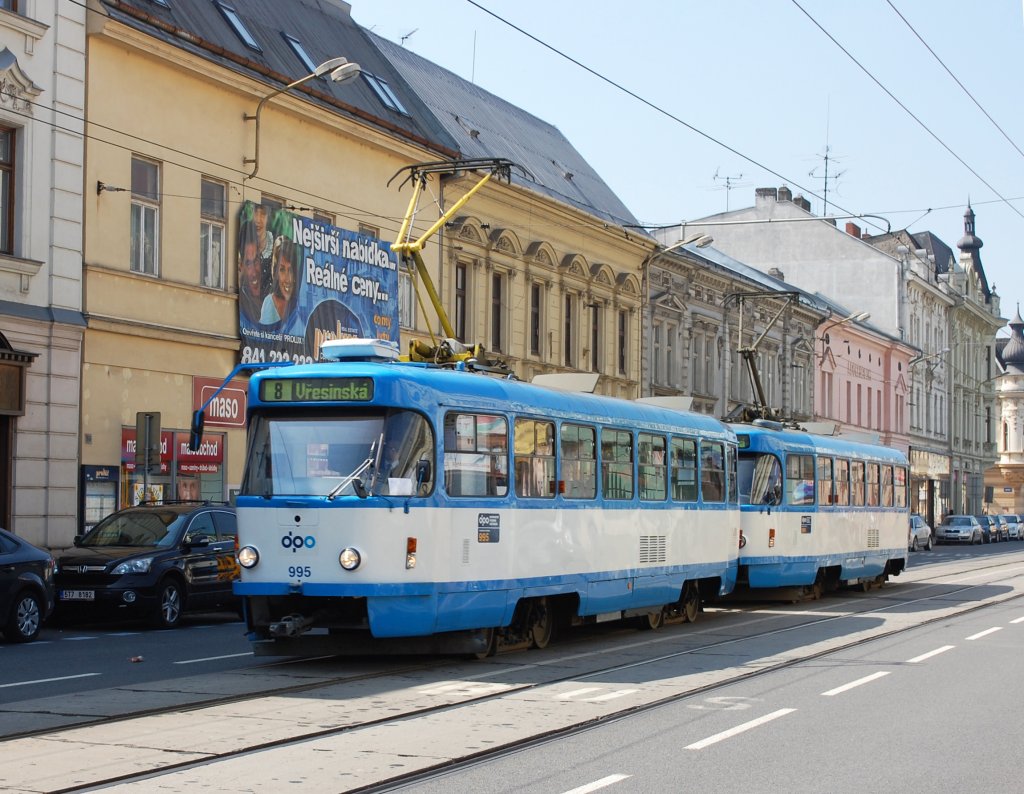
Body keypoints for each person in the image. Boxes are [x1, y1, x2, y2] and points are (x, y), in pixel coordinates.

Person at [260, 237, 298, 325]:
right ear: (276, 273)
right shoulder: (269, 303)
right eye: (282, 270)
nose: (287, 279)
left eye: (290, 270)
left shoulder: (300, 303)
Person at [237, 222, 263, 325]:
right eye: (248, 264)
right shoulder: (243, 304)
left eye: (256, 261)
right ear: (240, 266)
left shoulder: (269, 296)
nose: (254, 272)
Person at [252, 203, 275, 293]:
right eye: (256, 214)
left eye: (262, 214)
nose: (258, 220)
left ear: (268, 218)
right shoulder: (246, 243)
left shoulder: (275, 246)